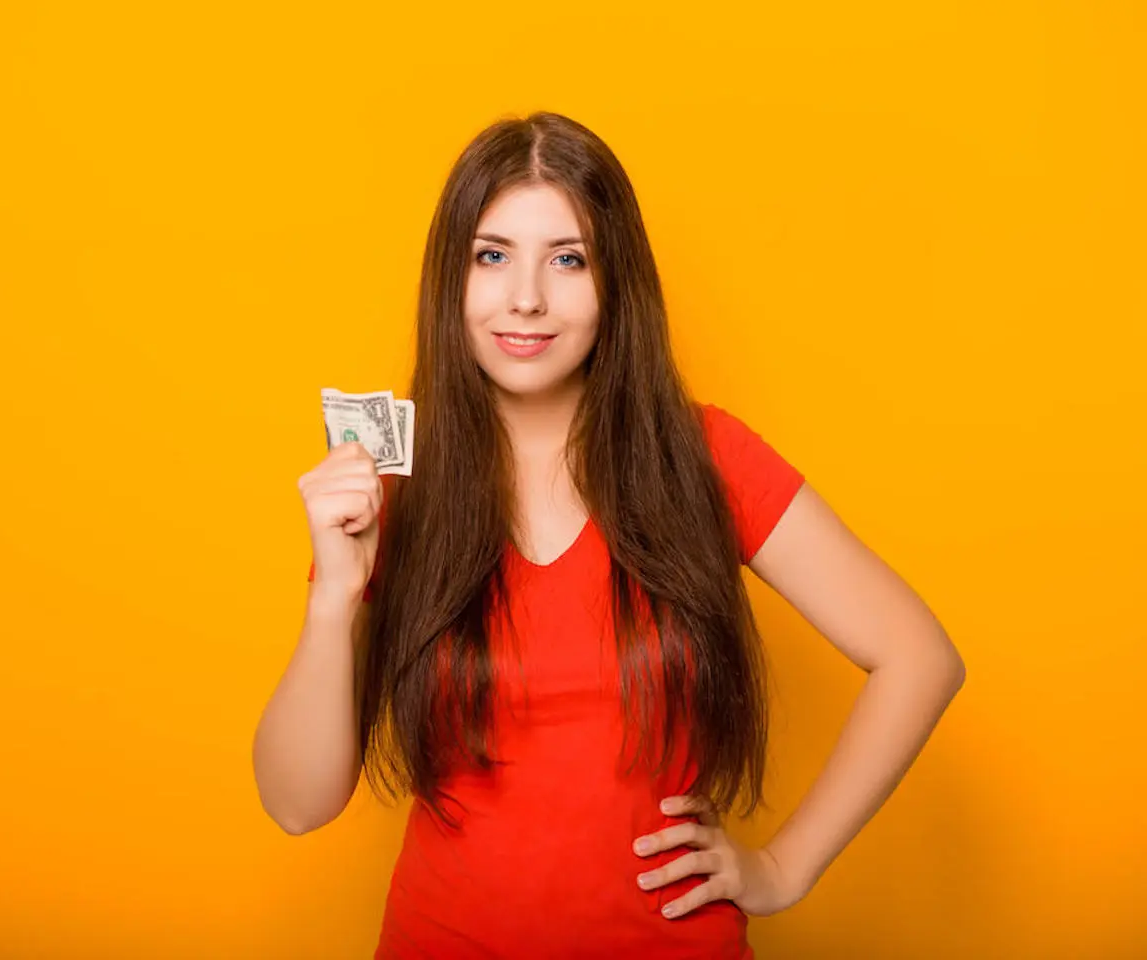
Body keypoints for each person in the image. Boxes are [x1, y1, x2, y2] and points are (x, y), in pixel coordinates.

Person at [254, 112, 966, 958]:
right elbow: (297, 804)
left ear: (616, 281)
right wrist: (334, 597)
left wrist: (781, 866)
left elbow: (919, 656)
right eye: (492, 256)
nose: (527, 297)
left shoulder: (704, 457)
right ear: (450, 279)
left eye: (568, 258)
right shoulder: (389, 483)